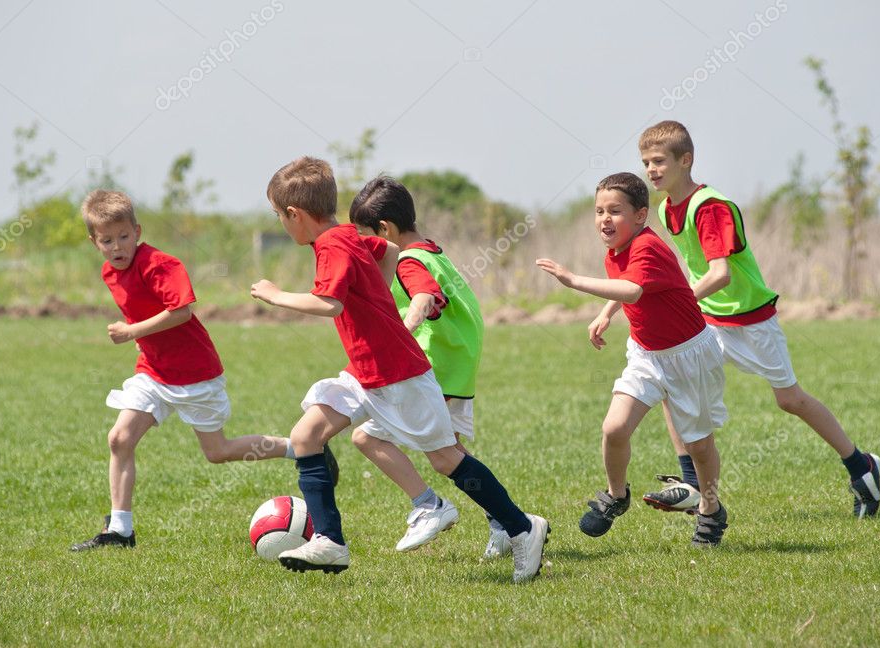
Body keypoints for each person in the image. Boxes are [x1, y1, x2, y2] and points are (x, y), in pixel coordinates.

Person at [251, 157, 548, 582]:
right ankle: (330, 542)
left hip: (398, 373)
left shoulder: (332, 246)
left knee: (447, 458)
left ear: (295, 215)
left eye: (278, 216)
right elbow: (387, 250)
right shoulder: (349, 235)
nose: (281, 223)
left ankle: (522, 528)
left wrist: (276, 295)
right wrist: (381, 304)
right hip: (365, 371)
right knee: (305, 436)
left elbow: (329, 303)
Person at [637, 120, 880, 518]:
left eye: (659, 161)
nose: (651, 170)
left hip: (750, 320)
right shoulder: (666, 210)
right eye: (646, 162)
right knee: (670, 379)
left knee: (791, 400)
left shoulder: (710, 207)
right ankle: (693, 484)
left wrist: (678, 302)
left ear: (686, 160)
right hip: (708, 318)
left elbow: (721, 274)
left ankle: (862, 466)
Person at [70, 190, 332, 552]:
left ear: (138, 230)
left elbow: (182, 311)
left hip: (195, 373)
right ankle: (120, 530)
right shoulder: (109, 272)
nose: (118, 246)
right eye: (107, 240)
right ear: (94, 242)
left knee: (218, 451)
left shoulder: (161, 264)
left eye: (124, 236)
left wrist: (133, 331)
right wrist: (140, 338)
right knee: (119, 438)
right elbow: (142, 310)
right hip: (153, 372)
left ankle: (298, 448)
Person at [537, 172, 730, 547]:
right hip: (646, 354)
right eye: (599, 211)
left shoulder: (647, 247)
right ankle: (616, 494)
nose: (604, 219)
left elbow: (633, 287)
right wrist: (607, 313)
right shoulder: (618, 248)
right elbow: (627, 287)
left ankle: (710, 509)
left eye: (615, 211)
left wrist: (573, 280)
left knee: (700, 446)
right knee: (614, 428)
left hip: (689, 355)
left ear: (641, 215)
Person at [348, 175, 509, 559]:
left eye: (368, 237)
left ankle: (428, 505)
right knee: (451, 454)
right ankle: (504, 521)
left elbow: (422, 296)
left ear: (384, 229)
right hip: (456, 366)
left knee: (367, 438)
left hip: (432, 369)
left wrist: (404, 329)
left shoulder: (408, 261)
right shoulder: (432, 250)